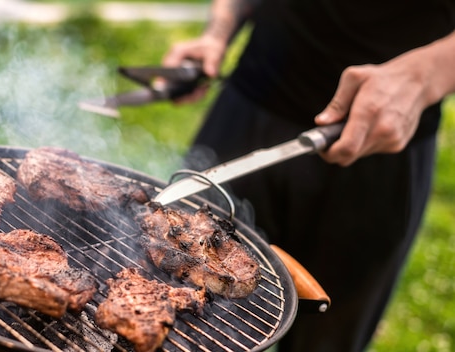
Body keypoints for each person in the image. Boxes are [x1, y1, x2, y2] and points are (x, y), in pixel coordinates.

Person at [161, 0, 455, 351]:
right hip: (247, 108)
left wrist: (426, 75)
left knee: (325, 341)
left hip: (381, 141)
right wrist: (218, 31)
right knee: (181, 326)